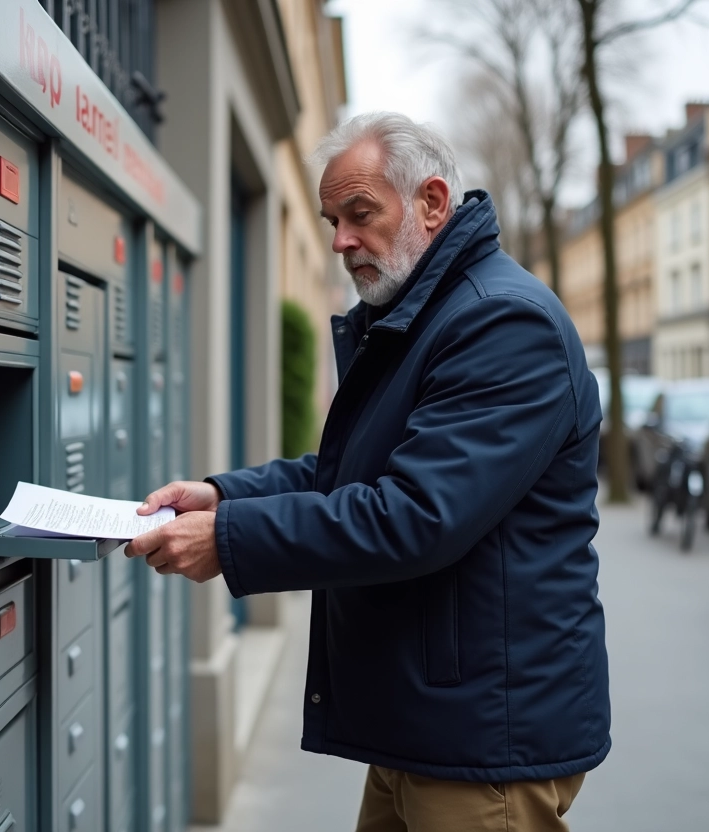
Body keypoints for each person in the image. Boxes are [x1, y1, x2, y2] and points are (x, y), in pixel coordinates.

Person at [125, 112, 609, 832]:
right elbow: (349, 471)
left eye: (360, 214)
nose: (340, 241)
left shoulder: (502, 323)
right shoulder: (424, 314)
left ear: (432, 203)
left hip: (485, 740)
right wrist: (223, 495)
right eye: (332, 221)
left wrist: (228, 538)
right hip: (430, 719)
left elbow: (415, 514)